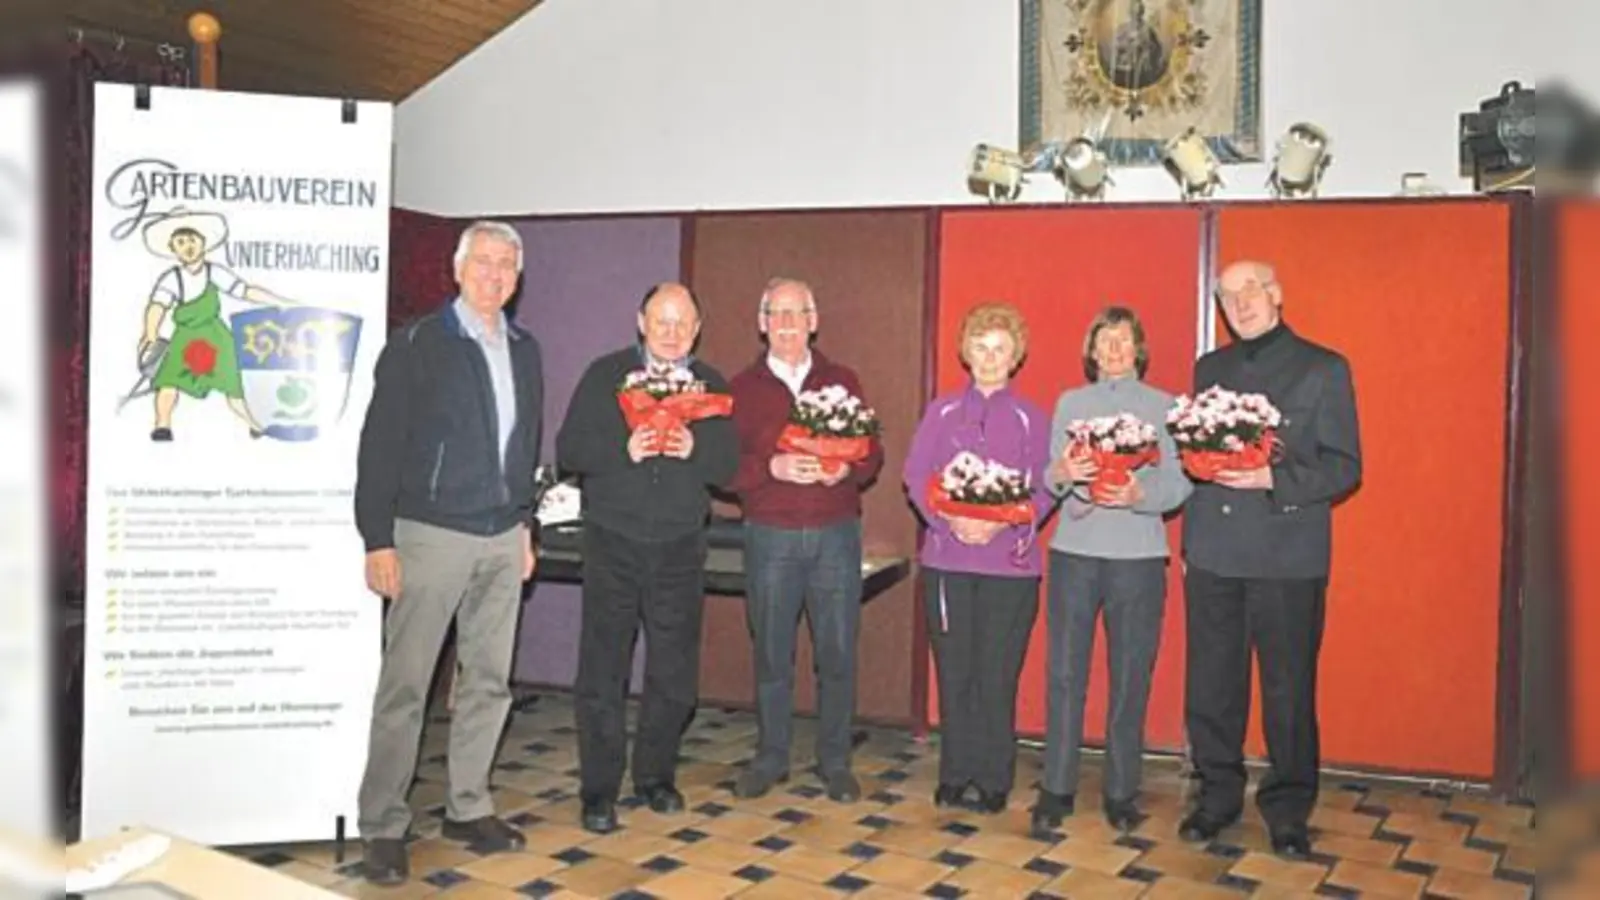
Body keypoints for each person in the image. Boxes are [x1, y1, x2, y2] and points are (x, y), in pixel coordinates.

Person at [352, 220, 544, 886]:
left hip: (502, 537)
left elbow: (525, 447)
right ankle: (382, 824)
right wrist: (377, 537)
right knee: (406, 687)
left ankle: (468, 807)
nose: (495, 274)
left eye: (506, 265)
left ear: (517, 278)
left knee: (489, 682)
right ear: (457, 270)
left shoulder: (525, 350)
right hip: (429, 535)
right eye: (483, 261)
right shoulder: (417, 344)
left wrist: (525, 527)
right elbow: (379, 446)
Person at [1179, 260, 1362, 860]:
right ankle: (1216, 797)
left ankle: (1287, 810)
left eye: (1251, 290)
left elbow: (1344, 467)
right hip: (1214, 552)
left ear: (1276, 293)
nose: (1240, 303)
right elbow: (1197, 456)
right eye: (1227, 295)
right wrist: (1191, 541)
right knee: (1212, 687)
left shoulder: (1324, 368)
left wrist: (1272, 479)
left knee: (1288, 692)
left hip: (1288, 556)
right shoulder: (1210, 369)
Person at [556, 282, 740, 834]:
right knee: (603, 670)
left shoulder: (711, 384)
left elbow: (729, 466)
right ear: (641, 321)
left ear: (697, 329)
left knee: (674, 673)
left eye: (683, 323)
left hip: (681, 544)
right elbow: (569, 450)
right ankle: (598, 790)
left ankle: (656, 776)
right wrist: (622, 449)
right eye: (662, 320)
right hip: (613, 539)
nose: (671, 332)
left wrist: (696, 449)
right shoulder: (605, 375)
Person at [1033, 306, 1192, 835]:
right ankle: (1056, 786)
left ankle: (1122, 790)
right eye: (1105, 340)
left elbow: (1181, 482)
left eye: (1123, 339)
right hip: (1074, 552)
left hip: (1139, 558)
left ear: (1138, 348)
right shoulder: (1070, 404)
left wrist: (1139, 493)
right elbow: (1052, 474)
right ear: (1092, 351)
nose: (1115, 349)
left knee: (1129, 677)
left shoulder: (1164, 407)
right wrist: (1065, 473)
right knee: (1064, 673)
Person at [727, 278, 884, 803]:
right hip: (770, 537)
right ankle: (771, 757)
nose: (788, 324)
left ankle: (835, 761)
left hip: (835, 535)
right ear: (762, 323)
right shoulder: (741, 388)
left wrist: (847, 470)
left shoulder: (844, 380)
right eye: (778, 313)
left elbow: (873, 455)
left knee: (837, 653)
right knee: (772, 653)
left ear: (814, 321)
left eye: (798, 313)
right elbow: (722, 466)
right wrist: (769, 467)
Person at [902, 302, 1053, 813]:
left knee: (996, 674)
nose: (989, 358)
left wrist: (1003, 522)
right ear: (966, 353)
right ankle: (954, 773)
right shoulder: (941, 412)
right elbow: (915, 475)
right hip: (947, 564)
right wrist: (949, 522)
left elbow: (1046, 488)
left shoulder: (1032, 418)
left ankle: (993, 777)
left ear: (1015, 357)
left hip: (1010, 568)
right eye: (981, 348)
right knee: (955, 672)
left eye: (999, 349)